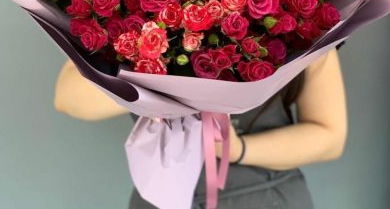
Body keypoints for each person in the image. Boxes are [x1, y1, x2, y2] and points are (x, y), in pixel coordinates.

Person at [54, 43, 347, 209]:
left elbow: (329, 136)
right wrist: (168, 69)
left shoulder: (301, 18)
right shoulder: (125, 7)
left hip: (266, 197)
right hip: (161, 196)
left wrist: (238, 149)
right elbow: (69, 98)